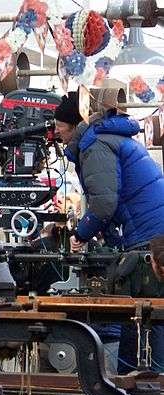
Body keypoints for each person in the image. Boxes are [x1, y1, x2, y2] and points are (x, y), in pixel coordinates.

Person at [54, 91, 164, 374]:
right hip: (149, 229)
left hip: (149, 236)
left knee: (143, 316)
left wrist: (79, 234)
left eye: (58, 126)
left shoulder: (94, 144)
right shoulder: (110, 137)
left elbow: (104, 203)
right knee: (149, 317)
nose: (56, 132)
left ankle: (140, 390)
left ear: (73, 124)